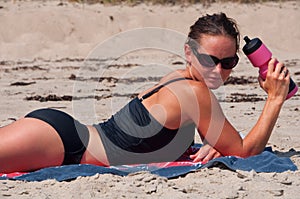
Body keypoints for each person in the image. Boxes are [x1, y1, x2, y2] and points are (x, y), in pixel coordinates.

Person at [0, 12, 290, 173]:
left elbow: (221, 140)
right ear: (188, 53)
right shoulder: (195, 94)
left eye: (228, 62)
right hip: (63, 145)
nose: (217, 70)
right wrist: (275, 98)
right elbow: (245, 153)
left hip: (62, 136)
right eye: (208, 59)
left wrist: (217, 143)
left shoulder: (178, 80)